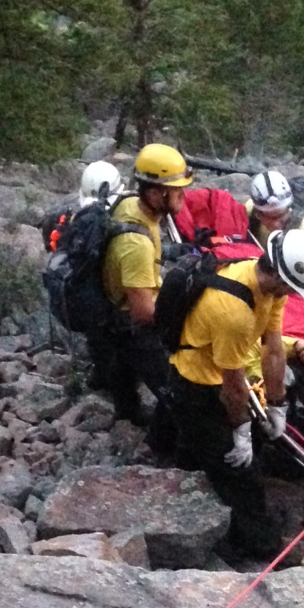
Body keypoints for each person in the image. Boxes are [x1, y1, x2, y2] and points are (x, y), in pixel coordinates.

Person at [170, 229, 304, 558]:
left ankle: (179, 451)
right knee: (241, 470)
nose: (293, 294)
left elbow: (272, 348)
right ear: (283, 277)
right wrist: (240, 430)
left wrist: (278, 404)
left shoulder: (269, 288)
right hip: (198, 382)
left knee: (233, 444)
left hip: (212, 371)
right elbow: (232, 384)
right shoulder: (234, 312)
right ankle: (258, 545)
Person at [94, 142, 194, 435]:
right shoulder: (135, 244)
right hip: (132, 326)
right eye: (176, 190)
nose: (183, 195)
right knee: (177, 392)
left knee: (123, 374)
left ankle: (127, 411)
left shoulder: (129, 205)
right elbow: (143, 313)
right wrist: (185, 316)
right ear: (154, 193)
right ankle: (167, 441)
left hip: (115, 312)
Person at [246, 170, 294, 250]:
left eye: (280, 216)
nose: (276, 224)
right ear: (257, 212)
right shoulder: (249, 212)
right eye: (268, 217)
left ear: (288, 209)